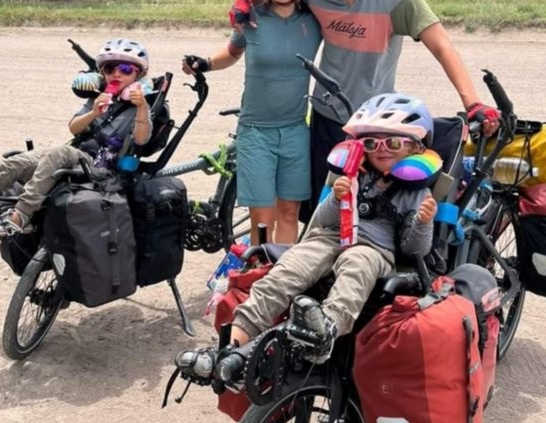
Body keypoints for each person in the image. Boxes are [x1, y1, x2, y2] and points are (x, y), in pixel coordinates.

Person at [231, 0, 500, 202]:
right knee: (319, 214)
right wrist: (245, 0)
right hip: (325, 119)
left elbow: (442, 45)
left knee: (367, 216)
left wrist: (473, 102)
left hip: (373, 127)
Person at [176, 91, 440, 376]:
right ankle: (227, 347)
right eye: (372, 142)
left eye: (395, 142)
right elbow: (320, 222)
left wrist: (424, 222)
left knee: (356, 267)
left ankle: (327, 328)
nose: (382, 149)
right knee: (287, 271)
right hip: (330, 237)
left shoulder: (416, 193)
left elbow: (414, 250)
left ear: (416, 147)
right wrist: (337, 199)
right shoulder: (353, 175)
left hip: (374, 249)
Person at [0, 38, 168, 238]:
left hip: (106, 169)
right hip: (77, 155)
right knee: (18, 161)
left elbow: (142, 140)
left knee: (57, 152)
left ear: (139, 73)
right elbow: (74, 128)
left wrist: (143, 108)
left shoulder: (145, 104)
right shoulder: (100, 97)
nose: (117, 74)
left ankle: (19, 217)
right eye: (109, 68)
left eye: (125, 69)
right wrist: (94, 112)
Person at [183, 0, 321, 244]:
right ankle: (259, 268)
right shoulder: (251, 19)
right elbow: (232, 52)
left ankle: (283, 275)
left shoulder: (315, 18)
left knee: (289, 212)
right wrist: (205, 63)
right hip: (256, 132)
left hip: (296, 129)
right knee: (262, 218)